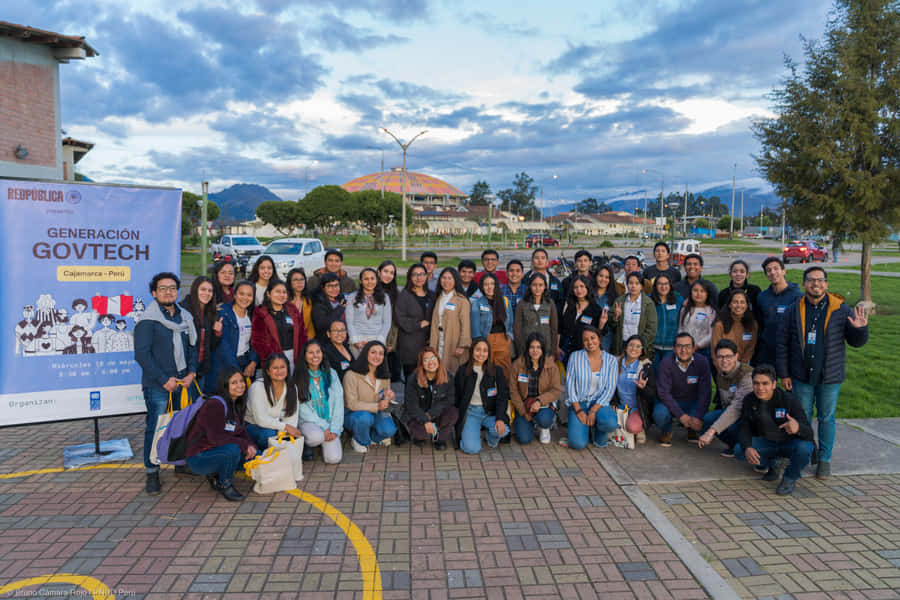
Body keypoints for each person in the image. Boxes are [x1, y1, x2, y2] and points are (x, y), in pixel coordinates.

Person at [776, 266, 869, 479]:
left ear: (826, 284)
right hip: (801, 376)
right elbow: (782, 343)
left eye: (820, 280)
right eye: (811, 280)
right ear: (803, 284)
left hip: (830, 377)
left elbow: (856, 343)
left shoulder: (841, 310)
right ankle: (808, 452)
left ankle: (825, 459)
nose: (815, 284)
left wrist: (860, 329)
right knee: (803, 417)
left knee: (827, 418)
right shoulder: (793, 310)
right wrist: (784, 374)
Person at [134, 272, 198, 495]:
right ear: (154, 293)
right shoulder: (147, 321)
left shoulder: (186, 318)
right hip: (158, 385)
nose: (168, 291)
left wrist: (191, 372)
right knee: (156, 427)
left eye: (172, 287)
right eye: (162, 288)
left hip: (183, 382)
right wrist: (164, 380)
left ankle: (180, 463)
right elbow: (142, 355)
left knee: (182, 424)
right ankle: (152, 472)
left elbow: (193, 347)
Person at [739, 365, 815, 496]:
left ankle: (789, 478)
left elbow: (809, 433)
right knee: (739, 451)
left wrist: (797, 428)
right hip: (767, 442)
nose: (760, 388)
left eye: (765, 383)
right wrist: (747, 447)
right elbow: (744, 427)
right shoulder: (749, 400)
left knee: (805, 448)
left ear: (774, 384)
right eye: (756, 383)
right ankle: (773, 464)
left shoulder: (789, 400)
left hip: (789, 444)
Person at [184, 367, 257, 501]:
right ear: (225, 385)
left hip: (217, 450)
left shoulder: (237, 402)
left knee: (255, 456)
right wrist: (243, 445)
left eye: (241, 381)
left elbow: (241, 431)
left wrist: (250, 445)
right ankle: (224, 484)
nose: (240, 385)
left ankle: (216, 472)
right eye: (234, 382)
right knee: (233, 450)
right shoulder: (215, 404)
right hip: (199, 457)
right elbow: (215, 438)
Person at [565, 326, 619, 449]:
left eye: (593, 338)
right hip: (580, 403)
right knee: (577, 444)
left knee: (610, 423)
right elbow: (570, 386)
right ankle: (585, 429)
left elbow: (610, 389)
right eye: (585, 340)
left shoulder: (611, 360)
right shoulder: (575, 357)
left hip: (599, 404)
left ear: (599, 339)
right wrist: (578, 410)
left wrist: (593, 410)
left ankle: (597, 430)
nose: (590, 342)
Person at [654, 332, 712, 447]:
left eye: (687, 346)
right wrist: (681, 415)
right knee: (659, 414)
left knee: (707, 418)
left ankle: (693, 430)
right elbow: (663, 393)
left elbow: (706, 392)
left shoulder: (702, 362)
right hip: (671, 401)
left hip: (692, 403)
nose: (683, 350)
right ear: (674, 348)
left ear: (693, 348)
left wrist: (698, 417)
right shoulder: (666, 362)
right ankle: (667, 430)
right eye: (680, 346)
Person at [698, 339, 753, 457]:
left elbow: (737, 407)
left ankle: (745, 446)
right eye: (720, 357)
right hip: (731, 411)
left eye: (728, 356)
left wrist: (711, 431)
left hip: (748, 417)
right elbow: (725, 403)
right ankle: (733, 444)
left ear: (736, 356)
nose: (724, 361)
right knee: (708, 419)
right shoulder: (721, 373)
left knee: (728, 426)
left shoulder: (747, 375)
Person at [454, 338, 510, 453]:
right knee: (471, 449)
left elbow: (502, 396)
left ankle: (490, 439)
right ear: (472, 351)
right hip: (471, 413)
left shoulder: (496, 371)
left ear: (488, 353)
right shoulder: (463, 371)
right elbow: (457, 396)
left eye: (485, 350)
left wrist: (500, 418)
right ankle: (472, 433)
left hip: (489, 413)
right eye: (478, 350)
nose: (481, 354)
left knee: (503, 431)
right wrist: (458, 422)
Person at [343, 341, 397, 452]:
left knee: (389, 430)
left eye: (381, 353)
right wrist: (377, 406)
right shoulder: (351, 375)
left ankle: (371, 437)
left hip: (375, 412)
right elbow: (351, 404)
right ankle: (360, 440)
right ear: (365, 353)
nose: (377, 356)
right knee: (365, 418)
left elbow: (384, 399)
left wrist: (389, 397)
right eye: (373, 352)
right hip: (354, 414)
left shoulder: (384, 375)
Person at [508, 332, 562, 444]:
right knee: (524, 439)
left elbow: (556, 390)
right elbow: (513, 390)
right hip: (524, 404)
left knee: (544, 419)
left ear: (543, 349)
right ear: (527, 348)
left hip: (543, 405)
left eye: (538, 347)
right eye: (532, 347)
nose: (535, 350)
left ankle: (544, 427)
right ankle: (529, 422)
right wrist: (523, 412)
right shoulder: (517, 365)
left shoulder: (551, 366)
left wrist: (539, 401)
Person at [295, 340, 344, 464]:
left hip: (329, 422)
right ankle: (308, 445)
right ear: (305, 356)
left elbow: (339, 403)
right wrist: (324, 427)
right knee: (315, 437)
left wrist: (334, 429)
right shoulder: (299, 376)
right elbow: (302, 408)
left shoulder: (331, 374)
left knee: (334, 459)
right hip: (309, 422)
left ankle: (324, 440)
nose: (315, 356)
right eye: (310, 353)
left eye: (318, 352)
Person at [404, 347, 459, 449]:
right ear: (421, 363)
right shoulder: (413, 379)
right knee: (420, 434)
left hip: (436, 413)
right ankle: (419, 436)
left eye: (433, 358)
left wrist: (431, 414)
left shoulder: (448, 376)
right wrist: (425, 420)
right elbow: (411, 405)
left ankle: (440, 438)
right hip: (420, 414)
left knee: (453, 413)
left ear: (438, 360)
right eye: (426, 360)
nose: (430, 362)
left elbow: (450, 399)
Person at [245, 353, 302, 450]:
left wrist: (287, 431)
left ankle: (279, 457)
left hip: (276, 426)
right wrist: (285, 427)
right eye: (275, 368)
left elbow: (291, 417)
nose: (279, 371)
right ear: (267, 371)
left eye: (282, 367)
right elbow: (261, 419)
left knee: (291, 435)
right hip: (253, 425)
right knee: (269, 435)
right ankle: (261, 455)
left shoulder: (291, 387)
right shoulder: (257, 387)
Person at [755, 257, 803, 368]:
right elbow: (760, 322)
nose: (772, 272)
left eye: (776, 269)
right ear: (766, 275)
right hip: (767, 350)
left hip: (789, 351)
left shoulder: (797, 296)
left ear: (783, 271)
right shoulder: (762, 297)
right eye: (768, 270)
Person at [210, 281, 258, 388]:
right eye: (241, 294)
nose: (245, 298)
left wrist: (253, 362)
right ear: (235, 295)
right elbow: (223, 344)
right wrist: (236, 370)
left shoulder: (254, 315)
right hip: (225, 363)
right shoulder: (223, 313)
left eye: (249, 295)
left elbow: (257, 341)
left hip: (246, 362)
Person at [250, 279, 306, 371]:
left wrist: (301, 354)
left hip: (296, 357)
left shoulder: (292, 309)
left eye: (284, 292)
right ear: (268, 294)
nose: (281, 295)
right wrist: (275, 358)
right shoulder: (260, 313)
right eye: (277, 292)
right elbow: (257, 341)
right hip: (274, 360)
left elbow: (302, 333)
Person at [179, 276, 222, 393]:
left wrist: (217, 333)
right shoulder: (183, 310)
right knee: (184, 409)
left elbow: (211, 346)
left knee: (196, 407)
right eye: (203, 289)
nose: (207, 293)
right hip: (184, 371)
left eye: (210, 291)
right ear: (195, 290)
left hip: (201, 370)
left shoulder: (210, 313)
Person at [613, 334, 656, 444]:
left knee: (633, 427)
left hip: (637, 408)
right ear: (626, 347)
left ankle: (639, 428)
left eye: (638, 346)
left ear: (642, 350)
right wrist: (613, 402)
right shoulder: (615, 363)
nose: (634, 349)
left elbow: (652, 394)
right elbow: (609, 386)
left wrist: (643, 388)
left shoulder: (646, 367)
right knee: (607, 423)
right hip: (619, 405)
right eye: (631, 345)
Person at [470, 273, 513, 378]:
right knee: (486, 370)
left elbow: (510, 322)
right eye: (486, 284)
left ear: (496, 285)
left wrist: (509, 339)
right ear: (481, 287)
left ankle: (503, 394)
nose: (489, 287)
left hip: (503, 340)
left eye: (492, 284)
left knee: (504, 372)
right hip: (485, 340)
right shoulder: (477, 303)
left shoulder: (505, 301)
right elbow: (475, 327)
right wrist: (479, 344)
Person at [429, 267, 472, 374]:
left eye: (450, 278)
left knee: (451, 370)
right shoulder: (438, 297)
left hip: (453, 340)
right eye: (444, 278)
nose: (446, 281)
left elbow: (466, 325)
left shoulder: (461, 300)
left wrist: (462, 345)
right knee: (437, 368)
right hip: (438, 338)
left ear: (455, 281)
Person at [394, 263, 434, 377]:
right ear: (410, 277)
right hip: (410, 345)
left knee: (428, 378)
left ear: (426, 276)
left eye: (422, 274)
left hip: (428, 344)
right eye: (415, 274)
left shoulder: (432, 295)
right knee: (412, 379)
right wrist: (418, 324)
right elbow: (399, 318)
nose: (419, 278)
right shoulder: (404, 295)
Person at [560, 274, 606, 364]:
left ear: (587, 288)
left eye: (582, 286)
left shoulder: (595, 309)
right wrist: (558, 347)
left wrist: (602, 324)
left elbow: (599, 334)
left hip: (585, 352)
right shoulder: (567, 305)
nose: (579, 290)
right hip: (565, 351)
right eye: (576, 287)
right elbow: (560, 328)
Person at [610, 272, 657, 359]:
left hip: (639, 346)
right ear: (627, 285)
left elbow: (652, 329)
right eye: (630, 283)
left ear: (642, 286)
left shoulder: (648, 303)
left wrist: (639, 345)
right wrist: (615, 317)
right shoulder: (620, 300)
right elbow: (611, 325)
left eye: (637, 283)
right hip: (621, 344)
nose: (633, 286)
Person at [346, 267, 392, 355]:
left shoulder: (385, 297)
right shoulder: (352, 297)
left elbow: (387, 322)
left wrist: (379, 341)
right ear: (361, 281)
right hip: (358, 339)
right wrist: (356, 342)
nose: (369, 282)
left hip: (377, 338)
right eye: (366, 279)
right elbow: (349, 322)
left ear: (377, 280)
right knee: (359, 367)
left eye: (372, 278)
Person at [513, 273, 559, 359]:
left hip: (546, 350)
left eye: (540, 285)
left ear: (545, 286)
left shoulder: (550, 304)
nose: (537, 288)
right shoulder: (522, 304)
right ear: (530, 286)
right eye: (534, 285)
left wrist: (553, 354)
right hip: (526, 350)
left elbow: (554, 329)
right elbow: (517, 329)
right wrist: (520, 352)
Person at [712, 289, 758, 364]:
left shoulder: (752, 324)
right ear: (729, 305)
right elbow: (715, 351)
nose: (738, 305)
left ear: (747, 305)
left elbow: (750, 349)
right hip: (724, 366)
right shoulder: (719, 325)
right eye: (735, 302)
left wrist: (742, 367)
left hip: (744, 367)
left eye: (742, 302)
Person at [678, 280, 717, 365]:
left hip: (703, 351)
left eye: (702, 291)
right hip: (684, 349)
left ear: (707, 294)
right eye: (695, 290)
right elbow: (681, 328)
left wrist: (697, 346)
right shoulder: (685, 309)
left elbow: (711, 334)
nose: (698, 294)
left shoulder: (711, 311)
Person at [650, 274, 684, 368]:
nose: (663, 287)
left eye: (666, 284)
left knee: (668, 375)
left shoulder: (679, 300)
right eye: (660, 284)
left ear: (670, 285)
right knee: (655, 376)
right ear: (655, 286)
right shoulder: (649, 301)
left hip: (672, 347)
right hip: (654, 347)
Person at [525, 248, 563, 314]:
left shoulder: (555, 281)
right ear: (532, 261)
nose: (540, 260)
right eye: (537, 258)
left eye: (543, 258)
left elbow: (560, 301)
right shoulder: (524, 279)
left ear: (547, 262)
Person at [311, 273, 348, 339]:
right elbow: (322, 325)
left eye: (336, 285)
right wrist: (340, 308)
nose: (334, 289)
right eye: (330, 286)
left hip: (344, 340)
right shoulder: (318, 304)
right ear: (323, 288)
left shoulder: (342, 300)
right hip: (326, 343)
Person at [593, 265, 618, 351]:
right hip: (589, 335)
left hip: (606, 338)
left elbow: (614, 324)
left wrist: (615, 318)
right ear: (596, 276)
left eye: (607, 277)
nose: (603, 279)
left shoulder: (614, 297)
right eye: (601, 276)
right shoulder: (588, 294)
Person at [286, 268, 316, 341]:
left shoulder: (309, 300)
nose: (299, 283)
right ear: (290, 282)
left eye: (302, 279)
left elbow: (311, 325)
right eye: (295, 280)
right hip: (288, 340)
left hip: (307, 339)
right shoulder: (284, 300)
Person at [501, 259, 526, 324]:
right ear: (506, 273)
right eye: (511, 271)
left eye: (518, 271)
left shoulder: (528, 291)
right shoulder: (500, 291)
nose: (514, 274)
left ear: (523, 274)